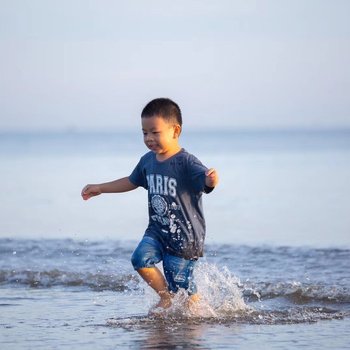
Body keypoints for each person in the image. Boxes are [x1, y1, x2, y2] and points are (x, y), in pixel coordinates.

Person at [81, 98, 219, 314]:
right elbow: (131, 181)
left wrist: (211, 180)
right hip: (156, 230)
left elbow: (205, 180)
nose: (149, 138)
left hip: (184, 236)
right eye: (145, 133)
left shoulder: (186, 162)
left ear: (175, 131)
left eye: (155, 132)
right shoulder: (147, 161)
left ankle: (200, 316)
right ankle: (165, 299)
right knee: (139, 258)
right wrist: (101, 187)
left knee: (182, 288)